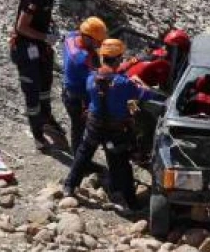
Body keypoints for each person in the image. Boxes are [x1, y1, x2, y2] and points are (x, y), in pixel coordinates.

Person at [63, 39, 161, 210]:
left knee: (83, 154)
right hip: (116, 130)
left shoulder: (91, 78)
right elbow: (146, 95)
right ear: (117, 59)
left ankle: (69, 186)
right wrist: (141, 85)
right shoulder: (124, 83)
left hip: (94, 125)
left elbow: (106, 81)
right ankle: (131, 202)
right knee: (122, 164)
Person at [9, 0, 75, 151]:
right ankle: (37, 133)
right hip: (25, 47)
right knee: (32, 91)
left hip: (40, 46)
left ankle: (46, 118)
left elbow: (42, 17)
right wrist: (45, 36)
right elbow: (21, 27)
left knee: (46, 84)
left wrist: (50, 31)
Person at [60, 16, 107, 151]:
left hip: (68, 88)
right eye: (97, 42)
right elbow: (99, 79)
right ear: (87, 37)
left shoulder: (72, 36)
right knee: (79, 127)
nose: (99, 45)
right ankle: (78, 156)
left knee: (78, 126)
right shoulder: (82, 58)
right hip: (77, 96)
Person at [119, 28, 191, 91]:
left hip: (124, 77)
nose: (166, 48)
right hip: (130, 86)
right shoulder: (164, 65)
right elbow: (166, 90)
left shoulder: (156, 53)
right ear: (179, 51)